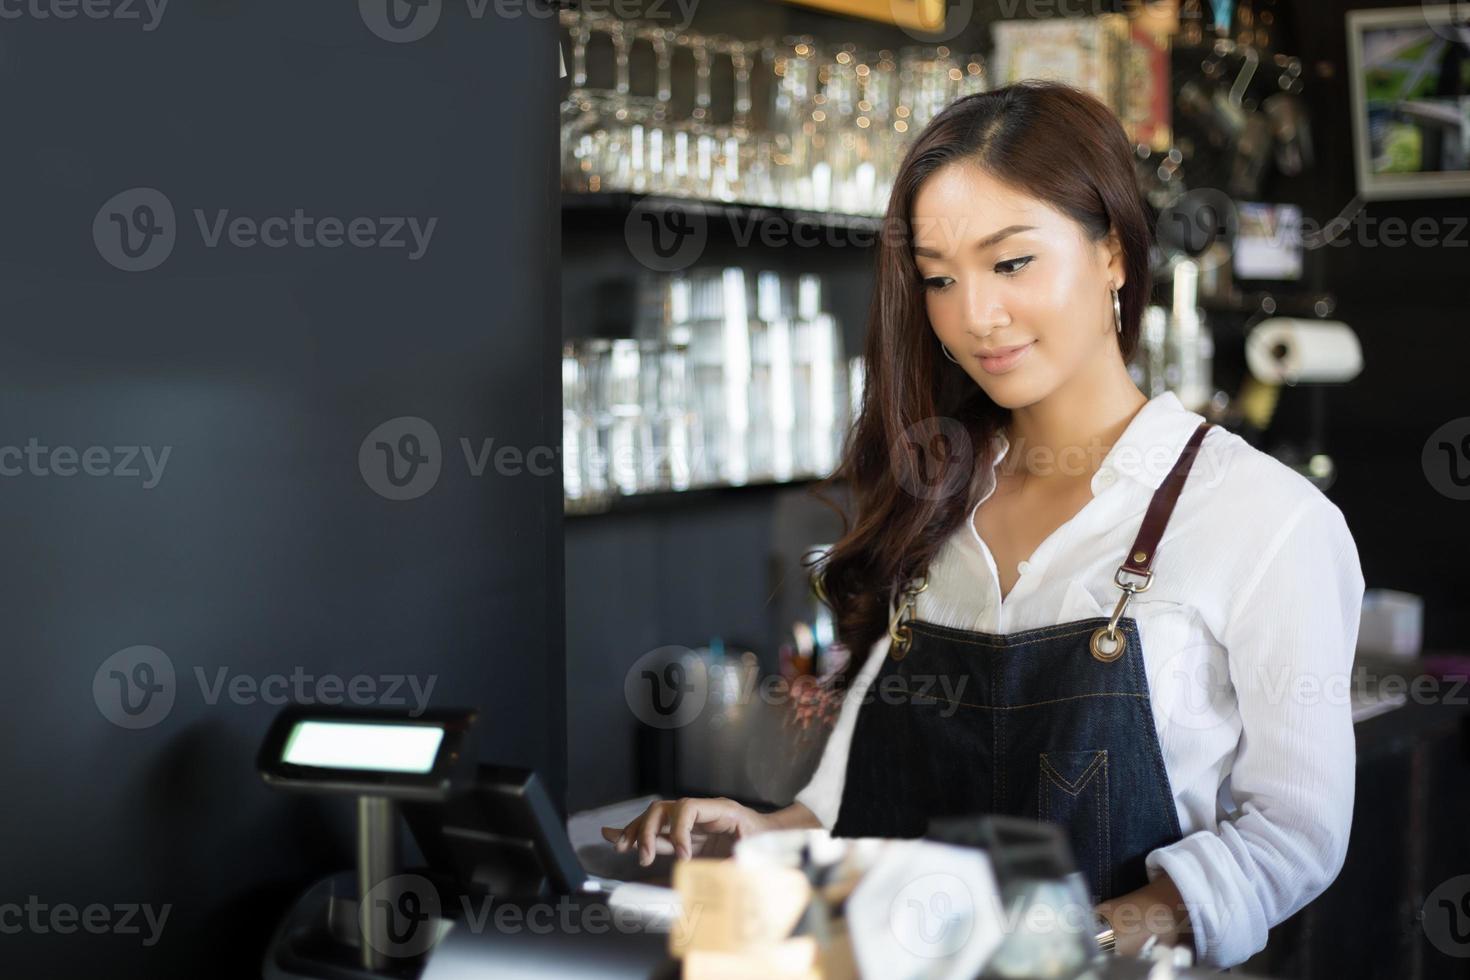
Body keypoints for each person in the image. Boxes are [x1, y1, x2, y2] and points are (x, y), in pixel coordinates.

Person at [603, 80, 1364, 969]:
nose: (974, 316)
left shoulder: (1265, 519)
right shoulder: (934, 499)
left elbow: (1293, 835)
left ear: (1112, 251)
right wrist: (760, 833)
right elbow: (844, 811)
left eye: (1011, 264)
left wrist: (1082, 939)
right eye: (937, 278)